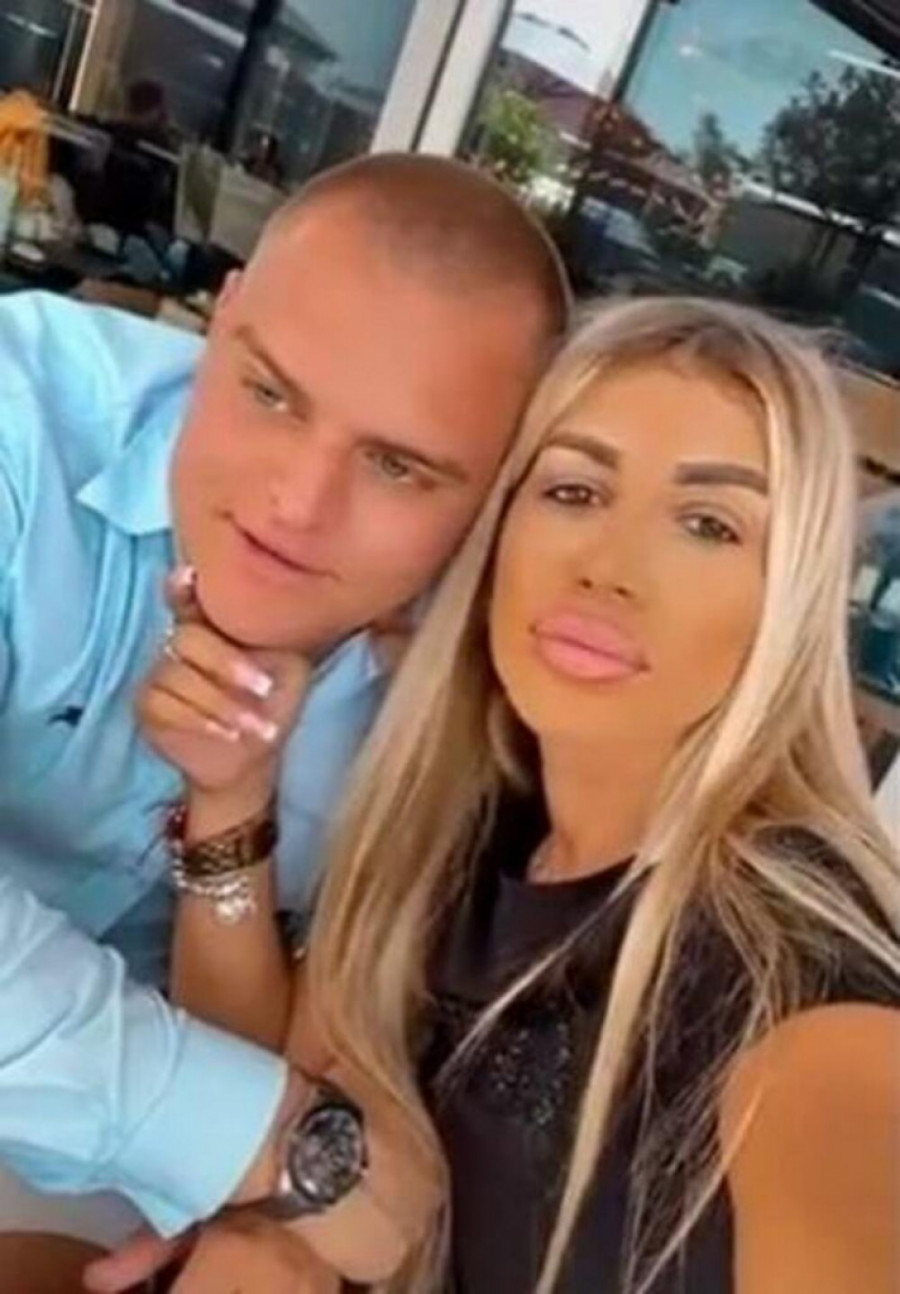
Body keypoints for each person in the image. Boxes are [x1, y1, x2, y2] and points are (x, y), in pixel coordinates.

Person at [111, 297, 900, 1293]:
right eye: (573, 491)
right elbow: (259, 1085)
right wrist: (230, 798)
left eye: (709, 525)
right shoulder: (482, 824)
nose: (608, 569)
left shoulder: (804, 996)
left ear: (788, 605)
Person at [0, 152, 568, 1281]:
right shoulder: (24, 420)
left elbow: (316, 1054)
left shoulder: (481, 698)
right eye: (270, 394)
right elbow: (283, 1130)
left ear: (497, 493)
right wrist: (265, 1143)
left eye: (397, 466)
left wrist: (263, 1186)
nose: (296, 505)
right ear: (222, 318)